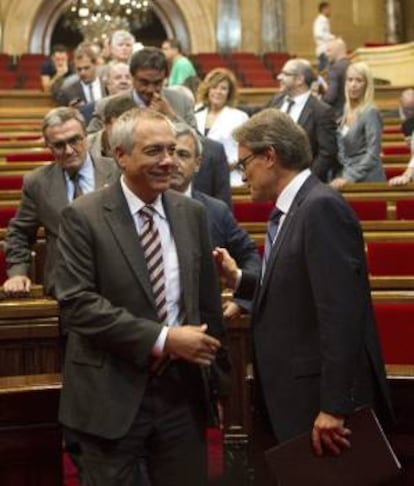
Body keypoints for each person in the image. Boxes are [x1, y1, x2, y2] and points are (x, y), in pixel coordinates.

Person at [215, 108, 393, 484]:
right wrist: (242, 280)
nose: (241, 173)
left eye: (244, 161)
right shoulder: (290, 210)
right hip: (297, 399)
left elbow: (340, 315)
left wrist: (334, 406)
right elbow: (295, 294)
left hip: (320, 405)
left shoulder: (320, 207)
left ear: (269, 156)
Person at [54, 108, 230, 486]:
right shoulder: (82, 216)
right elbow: (78, 305)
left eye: (172, 150)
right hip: (110, 399)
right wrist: (164, 340)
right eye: (153, 152)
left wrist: (216, 382)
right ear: (120, 155)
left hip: (181, 399)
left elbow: (207, 304)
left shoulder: (192, 213)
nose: (168, 161)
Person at [3, 107, 119, 297]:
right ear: (48, 145)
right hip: (66, 287)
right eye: (59, 145)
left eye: (74, 140)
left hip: (117, 282)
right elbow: (19, 233)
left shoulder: (116, 172)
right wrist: (17, 273)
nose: (68, 151)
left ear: (86, 136)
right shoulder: (38, 182)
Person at [170, 123, 261, 319]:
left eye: (183, 155)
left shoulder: (216, 210)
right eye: (170, 153)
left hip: (207, 324)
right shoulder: (144, 208)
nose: (174, 162)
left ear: (198, 163)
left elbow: (251, 256)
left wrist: (242, 300)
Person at [87, 47, 197, 133]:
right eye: (144, 82)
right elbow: (91, 144)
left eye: (157, 83)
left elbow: (199, 144)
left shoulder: (182, 101)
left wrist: (171, 117)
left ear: (165, 78)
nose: (150, 89)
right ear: (132, 77)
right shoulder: (107, 105)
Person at [267, 58, 339, 182]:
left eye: (285, 74)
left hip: (306, 185)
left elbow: (327, 153)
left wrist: (305, 180)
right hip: (273, 181)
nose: (279, 77)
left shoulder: (321, 111)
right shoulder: (276, 101)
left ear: (300, 79)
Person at [331, 62, 386, 189]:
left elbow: (373, 154)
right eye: (350, 80)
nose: (353, 85)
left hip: (368, 179)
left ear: (367, 85)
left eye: (359, 80)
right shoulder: (346, 110)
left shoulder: (370, 112)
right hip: (347, 174)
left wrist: (349, 177)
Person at [195, 68, 249, 187]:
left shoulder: (239, 116)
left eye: (223, 88)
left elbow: (246, 150)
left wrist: (227, 165)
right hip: (198, 179)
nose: (218, 92)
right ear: (208, 90)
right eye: (214, 87)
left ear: (229, 93)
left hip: (230, 179)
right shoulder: (196, 115)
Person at [87, 96, 137, 163]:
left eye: (129, 130)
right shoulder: (86, 147)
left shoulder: (141, 143)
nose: (123, 135)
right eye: (117, 129)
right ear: (104, 124)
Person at [321, 37, 350, 120]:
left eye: (329, 50)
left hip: (337, 117)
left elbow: (330, 98)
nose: (326, 54)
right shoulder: (352, 66)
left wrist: (318, 98)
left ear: (337, 51)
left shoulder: (335, 69)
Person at [313, 2, 334, 72]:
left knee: (322, 72)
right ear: (324, 9)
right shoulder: (321, 20)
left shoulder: (323, 20)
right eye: (329, 9)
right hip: (324, 50)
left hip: (324, 50)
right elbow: (318, 34)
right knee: (326, 72)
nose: (330, 11)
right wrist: (332, 37)